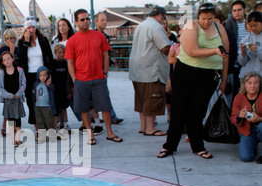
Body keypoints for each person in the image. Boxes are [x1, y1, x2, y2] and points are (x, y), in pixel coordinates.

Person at [158, 3, 229, 160]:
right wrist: (214, 51)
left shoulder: (219, 28)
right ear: (198, 17)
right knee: (178, 111)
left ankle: (198, 146)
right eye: (203, 18)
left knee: (198, 112)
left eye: (210, 18)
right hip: (185, 73)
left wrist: (224, 80)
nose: (206, 22)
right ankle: (169, 146)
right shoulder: (191, 26)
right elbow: (192, 51)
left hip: (208, 76)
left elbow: (226, 55)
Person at [66, 9, 122, 146]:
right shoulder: (72, 40)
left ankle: (110, 133)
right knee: (84, 108)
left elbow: (105, 55)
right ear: (76, 22)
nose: (86, 22)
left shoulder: (99, 36)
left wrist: (105, 73)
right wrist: (75, 80)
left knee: (105, 107)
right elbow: (70, 62)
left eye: (87, 19)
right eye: (82, 19)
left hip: (99, 78)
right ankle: (90, 134)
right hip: (81, 80)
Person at [129, 6, 171, 136]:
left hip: (137, 69)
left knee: (141, 100)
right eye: (163, 18)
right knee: (152, 99)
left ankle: (143, 127)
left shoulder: (141, 25)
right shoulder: (156, 27)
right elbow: (164, 47)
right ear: (160, 15)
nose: (163, 21)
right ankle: (150, 128)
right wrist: (174, 49)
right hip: (151, 70)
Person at [18, 16, 53, 131]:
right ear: (25, 29)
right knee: (32, 101)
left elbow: (49, 57)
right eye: (28, 28)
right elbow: (21, 58)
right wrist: (26, 42)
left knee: (45, 100)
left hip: (42, 73)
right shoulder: (22, 41)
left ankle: (49, 126)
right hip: (29, 75)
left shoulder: (42, 40)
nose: (31, 30)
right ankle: (37, 128)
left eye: (33, 27)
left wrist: (49, 75)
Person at [94, 12, 124, 125]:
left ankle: (110, 115)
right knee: (102, 94)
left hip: (103, 70)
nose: (105, 22)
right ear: (96, 22)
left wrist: (109, 61)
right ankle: (108, 116)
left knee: (104, 93)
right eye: (102, 20)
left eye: (106, 20)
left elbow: (106, 52)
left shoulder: (105, 36)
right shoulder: (94, 35)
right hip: (96, 70)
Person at [230, 72, 262, 163]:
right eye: (250, 83)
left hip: (260, 127)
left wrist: (259, 119)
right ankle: (253, 145)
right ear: (244, 84)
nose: (253, 86)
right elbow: (233, 118)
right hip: (247, 130)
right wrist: (239, 116)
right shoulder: (239, 97)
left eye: (256, 83)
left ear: (260, 84)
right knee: (245, 157)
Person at [0, 51, 26, 147]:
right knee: (10, 120)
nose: (7, 61)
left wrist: (18, 94)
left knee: (18, 119)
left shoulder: (19, 71)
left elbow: (23, 84)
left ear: (13, 59)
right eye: (4, 60)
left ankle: (18, 139)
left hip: (17, 98)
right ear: (2, 62)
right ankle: (13, 139)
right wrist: (8, 95)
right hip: (8, 100)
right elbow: (0, 88)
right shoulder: (2, 73)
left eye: (8, 58)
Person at [226, 0, 249, 98]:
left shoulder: (250, 23)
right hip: (235, 63)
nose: (237, 13)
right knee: (237, 91)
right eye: (234, 10)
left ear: (244, 10)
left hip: (250, 61)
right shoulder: (229, 24)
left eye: (239, 10)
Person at [0, 29, 21, 136]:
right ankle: (4, 126)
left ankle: (16, 127)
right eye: (7, 39)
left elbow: (18, 64)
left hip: (16, 79)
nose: (10, 41)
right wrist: (11, 51)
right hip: (7, 78)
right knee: (8, 104)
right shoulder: (3, 49)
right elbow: (6, 63)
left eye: (11, 38)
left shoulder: (18, 49)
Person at [32, 66, 59, 143]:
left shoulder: (49, 85)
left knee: (49, 121)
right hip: (38, 107)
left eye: (44, 75)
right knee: (40, 122)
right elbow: (33, 95)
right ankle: (42, 137)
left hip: (47, 107)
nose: (42, 77)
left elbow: (53, 93)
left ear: (48, 76)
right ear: (38, 76)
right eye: (40, 75)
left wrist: (49, 83)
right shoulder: (35, 84)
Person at [51, 44, 72, 134]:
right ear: (55, 53)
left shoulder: (66, 63)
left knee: (64, 108)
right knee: (56, 109)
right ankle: (56, 126)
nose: (61, 54)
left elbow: (69, 77)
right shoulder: (52, 63)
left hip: (64, 89)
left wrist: (70, 89)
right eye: (59, 52)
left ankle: (65, 124)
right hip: (55, 90)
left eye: (63, 52)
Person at [238, 11, 262, 78]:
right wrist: (243, 53)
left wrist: (257, 49)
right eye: (251, 26)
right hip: (248, 77)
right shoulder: (246, 39)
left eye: (256, 25)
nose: (253, 28)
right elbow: (242, 63)